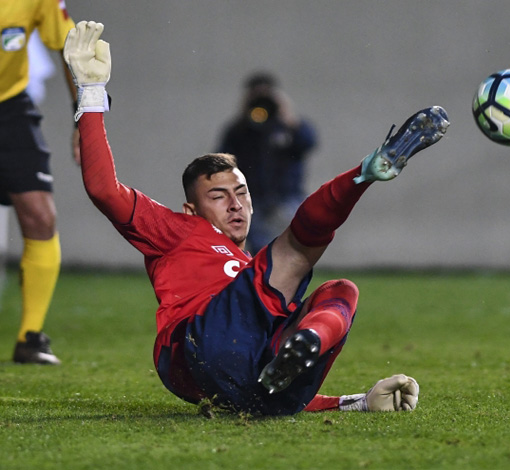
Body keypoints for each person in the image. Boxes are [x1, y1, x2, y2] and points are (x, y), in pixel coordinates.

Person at [64, 21, 449, 415]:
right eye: (218, 196)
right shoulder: (178, 231)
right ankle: (362, 174)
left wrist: (357, 403)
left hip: (243, 376)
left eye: (241, 193)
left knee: (340, 291)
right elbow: (103, 190)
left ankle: (307, 345)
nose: (235, 205)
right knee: (293, 253)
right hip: (193, 343)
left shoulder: (250, 269)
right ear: (191, 211)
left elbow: (256, 367)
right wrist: (91, 93)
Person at [1, 0, 78, 365]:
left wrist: (85, 116)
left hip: (8, 107)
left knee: (40, 217)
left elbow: (70, 47)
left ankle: (30, 337)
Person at [218, 72, 318, 254]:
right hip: (251, 196)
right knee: (260, 249)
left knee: (294, 246)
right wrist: (243, 115)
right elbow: (222, 159)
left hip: (287, 195)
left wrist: (288, 115)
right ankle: (264, 280)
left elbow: (308, 142)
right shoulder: (239, 130)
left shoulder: (288, 126)